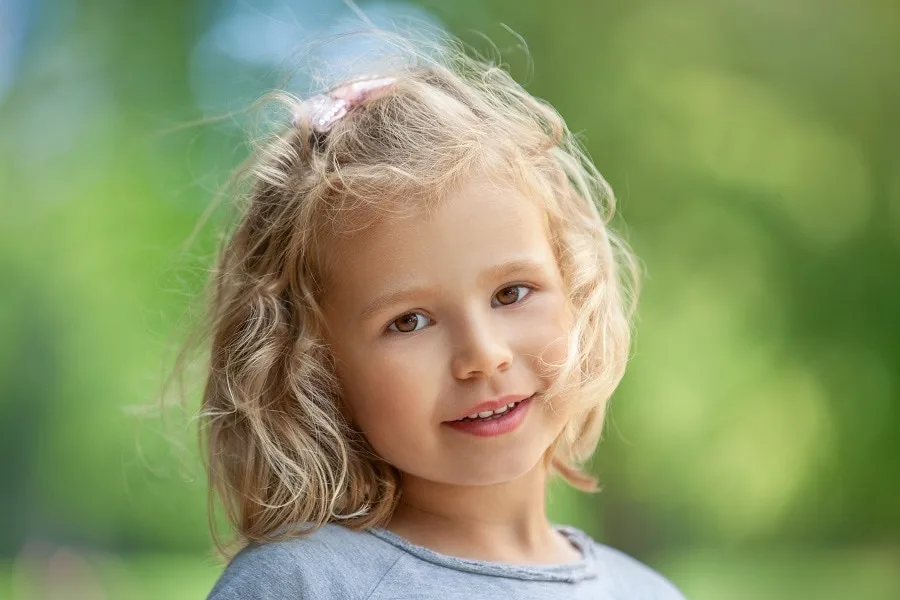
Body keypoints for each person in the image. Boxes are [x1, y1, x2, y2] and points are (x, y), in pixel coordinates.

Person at [196, 28, 686, 600]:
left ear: (575, 290)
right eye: (409, 321)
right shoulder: (302, 585)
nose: (482, 354)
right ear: (314, 367)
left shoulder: (648, 592)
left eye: (512, 293)